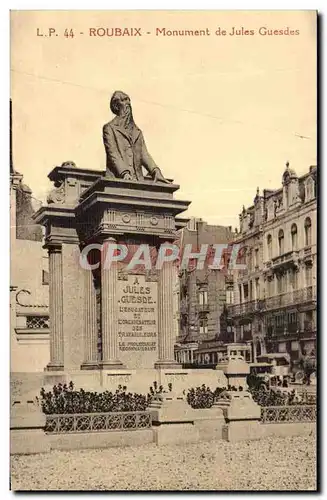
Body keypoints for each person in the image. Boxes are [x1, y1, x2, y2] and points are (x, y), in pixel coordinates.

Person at [103, 91, 169, 182]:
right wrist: (124, 173)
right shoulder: (109, 128)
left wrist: (155, 170)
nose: (128, 103)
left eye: (128, 100)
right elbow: (113, 154)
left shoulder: (137, 132)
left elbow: (144, 154)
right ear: (116, 106)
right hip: (117, 180)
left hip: (138, 180)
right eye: (123, 100)